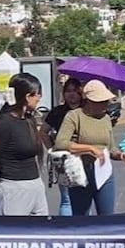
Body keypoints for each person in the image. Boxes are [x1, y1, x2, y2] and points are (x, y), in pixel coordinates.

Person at [54, 80, 125, 216]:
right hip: (80, 174)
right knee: (81, 220)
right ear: (88, 100)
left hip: (104, 174)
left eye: (106, 100)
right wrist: (89, 148)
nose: (105, 104)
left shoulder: (106, 119)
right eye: (100, 101)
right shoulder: (74, 116)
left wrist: (123, 156)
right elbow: (60, 142)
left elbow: (111, 148)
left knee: (107, 218)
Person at [0, 73, 48, 216]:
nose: (39, 98)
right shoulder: (4, 123)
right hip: (13, 190)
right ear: (27, 97)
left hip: (35, 186)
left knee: (41, 236)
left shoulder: (29, 120)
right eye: (37, 94)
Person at [43, 78, 83, 216]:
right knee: (66, 199)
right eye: (68, 91)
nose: (71, 94)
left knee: (84, 196)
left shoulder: (87, 110)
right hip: (63, 157)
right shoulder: (57, 111)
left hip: (84, 156)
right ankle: (66, 230)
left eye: (75, 91)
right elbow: (42, 132)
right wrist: (51, 149)